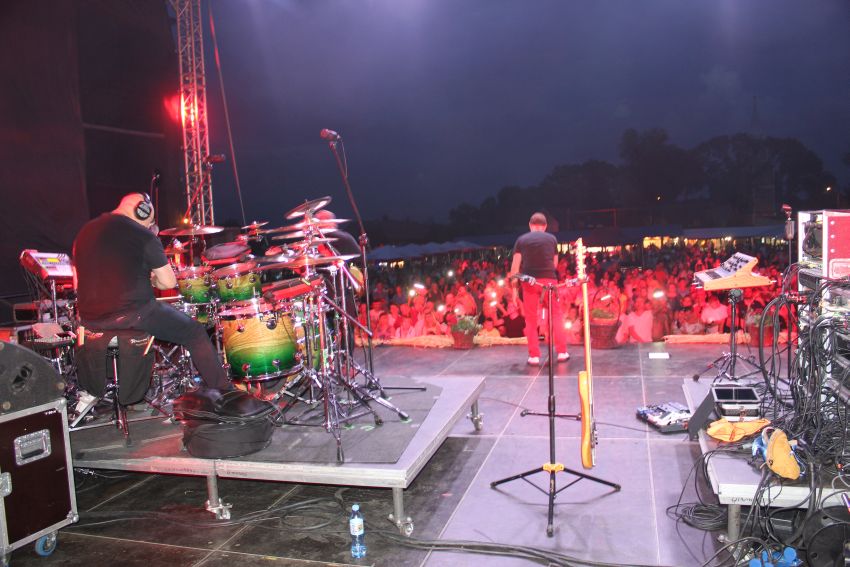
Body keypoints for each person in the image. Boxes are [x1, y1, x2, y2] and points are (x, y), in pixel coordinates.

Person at [73, 193, 229, 390]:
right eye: (150, 221)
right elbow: (168, 282)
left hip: (89, 321)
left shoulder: (85, 232)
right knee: (194, 332)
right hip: (133, 314)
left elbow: (77, 281)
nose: (150, 226)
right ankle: (226, 393)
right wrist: (154, 279)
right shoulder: (141, 234)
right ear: (142, 210)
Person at [509, 212, 569, 365]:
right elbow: (554, 264)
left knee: (530, 319)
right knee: (556, 316)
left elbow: (515, 268)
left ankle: (534, 356)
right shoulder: (552, 239)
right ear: (545, 226)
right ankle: (562, 352)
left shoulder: (521, 240)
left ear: (530, 225)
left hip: (530, 282)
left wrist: (514, 291)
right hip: (549, 282)